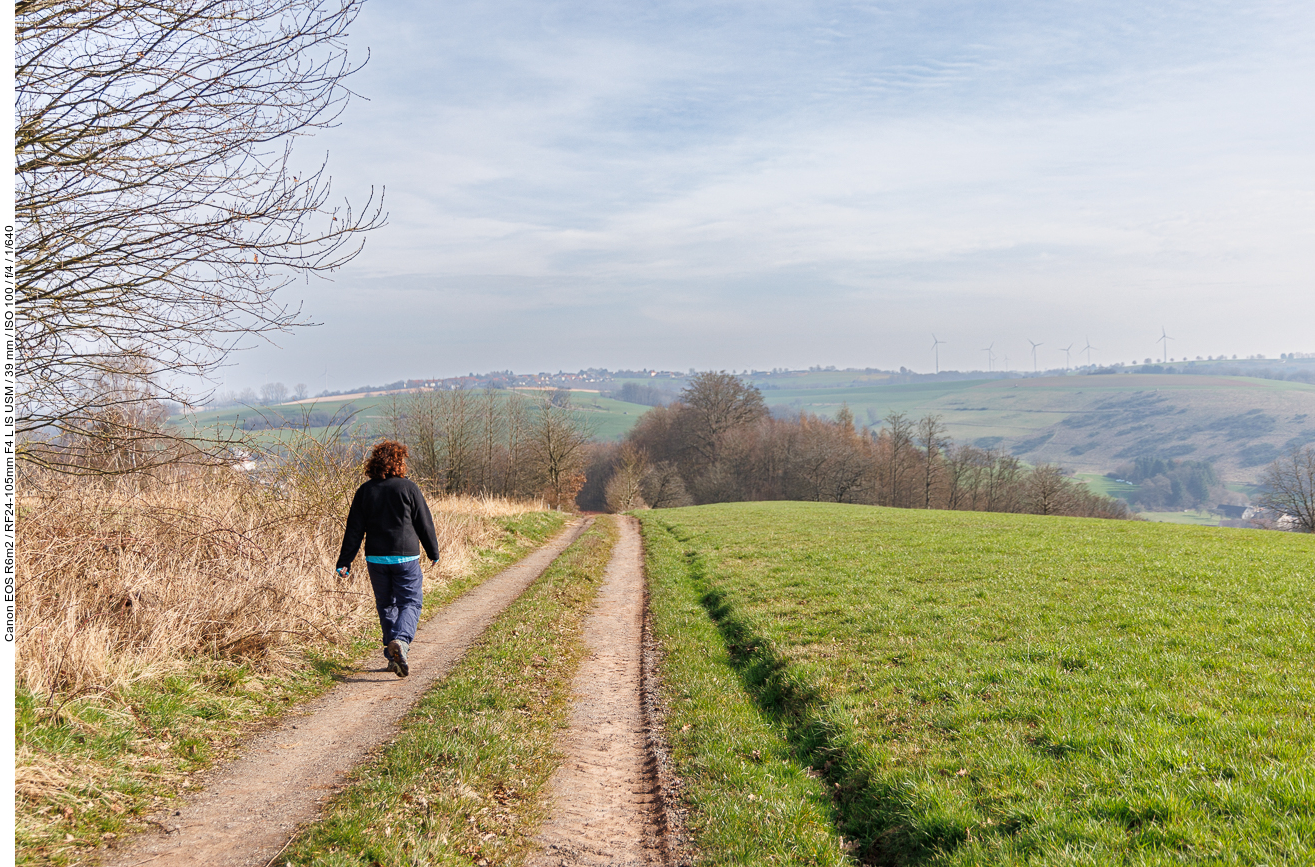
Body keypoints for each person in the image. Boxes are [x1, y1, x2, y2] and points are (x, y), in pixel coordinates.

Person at [335, 440, 440, 677]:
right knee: (411, 602)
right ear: (399, 462)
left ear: (374, 463)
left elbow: (354, 529)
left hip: (376, 559)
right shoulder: (408, 488)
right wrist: (433, 552)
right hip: (406, 558)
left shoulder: (365, 491)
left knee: (386, 605)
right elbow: (424, 523)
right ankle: (401, 642)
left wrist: (345, 561)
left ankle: (393, 655)